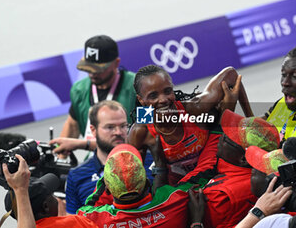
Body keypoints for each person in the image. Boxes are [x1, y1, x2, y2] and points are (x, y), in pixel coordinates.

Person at [128, 64, 252, 184]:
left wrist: (250, 117)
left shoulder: (194, 108)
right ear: (141, 100)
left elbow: (231, 74)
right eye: (153, 96)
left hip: (215, 177)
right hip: (180, 191)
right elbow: (132, 178)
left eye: (167, 91)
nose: (163, 100)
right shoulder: (141, 130)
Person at [78, 143, 213, 228]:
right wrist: (160, 163)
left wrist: (106, 179)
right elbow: (206, 171)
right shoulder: (175, 199)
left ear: (106, 189)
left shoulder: (94, 219)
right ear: (148, 181)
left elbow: (85, 208)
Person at [199, 109, 284, 228]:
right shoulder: (261, 177)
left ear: (243, 159)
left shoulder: (221, 195)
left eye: (227, 138)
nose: (220, 137)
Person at [60, 35, 136, 141]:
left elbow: (148, 128)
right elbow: (72, 125)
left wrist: (85, 145)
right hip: (95, 155)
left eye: (98, 69)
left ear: (116, 63)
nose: (92, 73)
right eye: (89, 69)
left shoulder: (138, 88)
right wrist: (60, 155)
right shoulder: (79, 90)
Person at [64, 100, 128, 214]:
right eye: (110, 127)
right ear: (93, 130)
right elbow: (74, 222)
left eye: (123, 126)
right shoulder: (76, 176)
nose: (118, 132)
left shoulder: (149, 161)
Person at [3, 154, 99, 228]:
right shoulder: (77, 222)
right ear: (46, 207)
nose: (57, 198)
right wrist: (63, 220)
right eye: (51, 194)